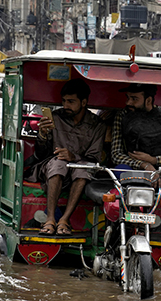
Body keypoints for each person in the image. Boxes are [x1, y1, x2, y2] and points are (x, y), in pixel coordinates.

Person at [110, 83, 161, 239]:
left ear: (148, 100)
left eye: (134, 99)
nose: (128, 103)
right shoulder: (121, 116)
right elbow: (116, 154)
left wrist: (155, 161)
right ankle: (133, 215)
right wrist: (144, 165)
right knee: (119, 168)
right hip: (134, 175)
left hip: (160, 176)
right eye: (128, 98)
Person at [29, 79, 106, 235]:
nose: (65, 106)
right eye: (64, 101)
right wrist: (42, 135)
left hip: (80, 170)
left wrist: (74, 156)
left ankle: (64, 220)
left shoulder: (98, 125)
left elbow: (94, 157)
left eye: (71, 102)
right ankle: (50, 219)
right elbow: (41, 153)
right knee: (59, 164)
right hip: (52, 168)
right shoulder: (55, 118)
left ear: (84, 102)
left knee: (83, 169)